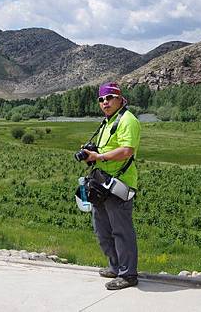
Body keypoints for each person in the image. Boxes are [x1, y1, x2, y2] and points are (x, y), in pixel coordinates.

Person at [82, 82, 141, 290]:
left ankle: (128, 274)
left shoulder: (128, 120)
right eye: (101, 99)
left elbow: (127, 151)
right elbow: (105, 150)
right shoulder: (107, 122)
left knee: (121, 231)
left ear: (119, 98)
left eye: (109, 98)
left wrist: (99, 156)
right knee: (102, 229)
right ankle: (115, 267)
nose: (104, 102)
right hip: (101, 182)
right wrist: (92, 156)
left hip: (119, 184)